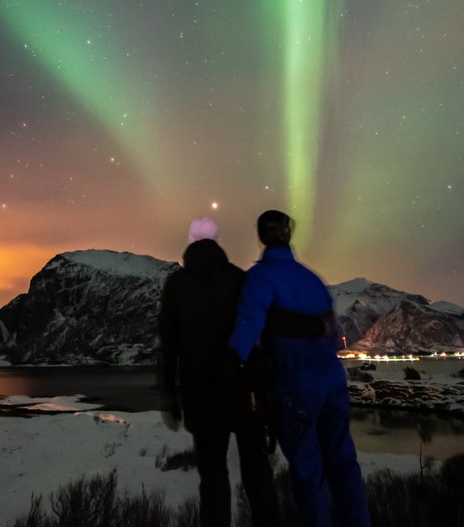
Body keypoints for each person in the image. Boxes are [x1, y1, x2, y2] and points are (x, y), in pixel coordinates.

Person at [228, 210, 371, 527]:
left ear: (262, 237)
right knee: (343, 462)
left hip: (295, 383)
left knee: (308, 470)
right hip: (332, 380)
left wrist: (230, 364)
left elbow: (248, 326)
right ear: (288, 235)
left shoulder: (261, 277)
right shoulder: (313, 279)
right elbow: (331, 332)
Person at [158, 218, 280, 527]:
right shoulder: (239, 278)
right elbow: (259, 333)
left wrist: (168, 393)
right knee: (258, 472)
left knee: (212, 477)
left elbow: (169, 343)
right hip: (244, 389)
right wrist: (268, 394)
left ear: (189, 245)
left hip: (201, 393)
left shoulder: (177, 285)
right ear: (217, 245)